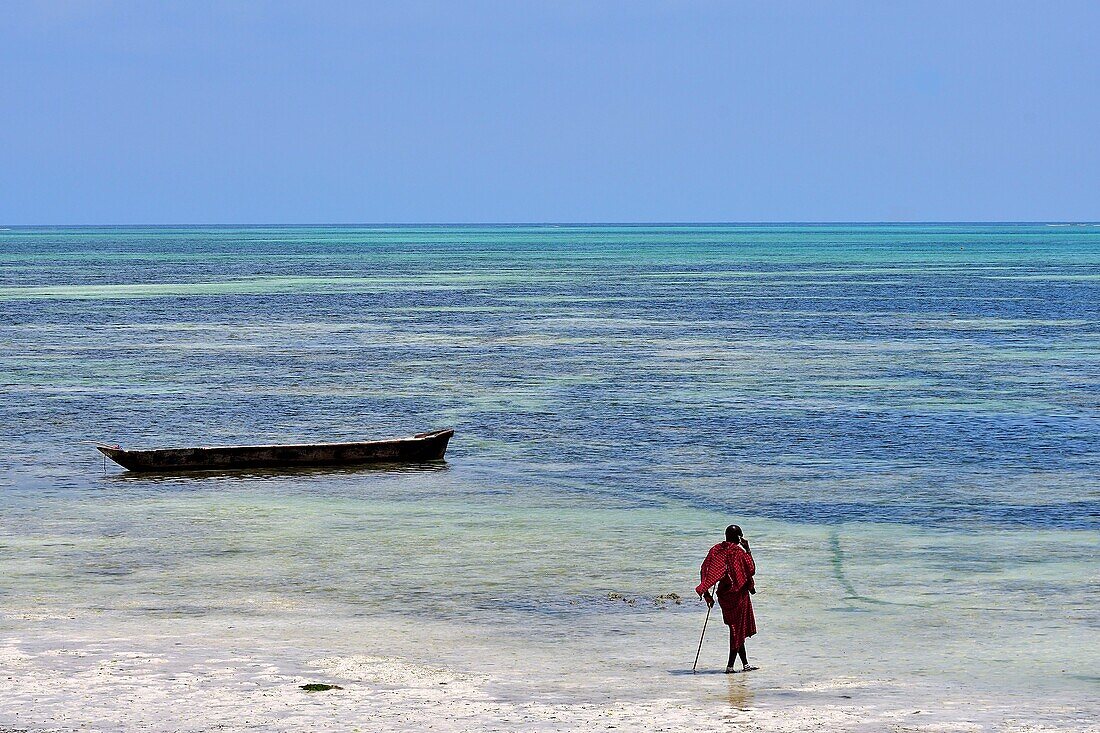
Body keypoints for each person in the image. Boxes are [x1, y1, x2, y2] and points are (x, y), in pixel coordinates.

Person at [695, 524, 758, 673]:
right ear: (739, 537)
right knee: (737, 630)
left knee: (736, 628)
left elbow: (705, 570)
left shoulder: (716, 550)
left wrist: (707, 594)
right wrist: (748, 549)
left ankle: (745, 665)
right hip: (739, 596)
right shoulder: (740, 552)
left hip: (725, 596)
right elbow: (751, 569)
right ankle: (730, 666)